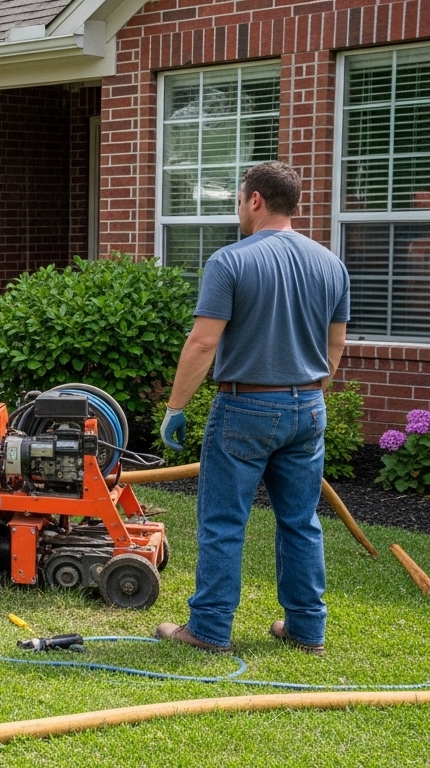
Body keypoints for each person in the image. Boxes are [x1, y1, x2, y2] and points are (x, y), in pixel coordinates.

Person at [156, 161, 349, 656]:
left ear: (256, 200)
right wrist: (309, 394)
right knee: (300, 520)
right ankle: (307, 628)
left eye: (240, 199)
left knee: (223, 521)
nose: (238, 208)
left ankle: (209, 628)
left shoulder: (230, 261)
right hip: (308, 407)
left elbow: (202, 343)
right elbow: (336, 344)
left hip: (245, 408)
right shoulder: (331, 264)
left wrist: (176, 406)